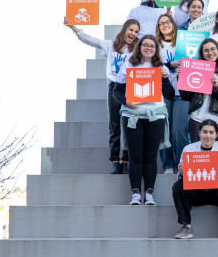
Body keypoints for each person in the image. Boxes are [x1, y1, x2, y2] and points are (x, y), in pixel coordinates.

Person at [64, 17, 139, 174]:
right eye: (131, 30)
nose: (133, 33)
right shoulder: (111, 45)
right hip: (114, 88)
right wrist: (74, 28)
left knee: (128, 124)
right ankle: (115, 161)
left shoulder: (136, 50)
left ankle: (126, 159)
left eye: (136, 32)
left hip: (131, 88)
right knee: (114, 124)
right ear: (125, 29)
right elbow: (92, 41)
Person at [112, 35, 174, 205]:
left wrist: (166, 77)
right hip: (133, 115)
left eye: (152, 46)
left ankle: (149, 194)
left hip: (156, 115)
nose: (148, 48)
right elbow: (116, 92)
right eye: (145, 45)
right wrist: (127, 102)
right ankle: (135, 194)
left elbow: (169, 94)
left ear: (156, 49)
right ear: (139, 47)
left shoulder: (160, 67)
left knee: (151, 155)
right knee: (135, 155)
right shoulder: (128, 65)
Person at [172, 120, 218, 239]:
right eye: (205, 132)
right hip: (196, 192)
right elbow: (179, 177)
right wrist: (182, 173)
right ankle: (185, 226)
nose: (208, 135)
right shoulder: (189, 148)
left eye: (211, 132)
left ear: (216, 134)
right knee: (178, 185)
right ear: (199, 133)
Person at [180, 39, 218, 143]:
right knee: (198, 154)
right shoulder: (194, 70)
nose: (210, 53)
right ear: (202, 53)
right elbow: (185, 96)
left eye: (213, 49)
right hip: (197, 118)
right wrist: (182, 77)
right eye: (206, 50)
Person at [155, 14, 190, 175]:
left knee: (179, 130)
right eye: (161, 23)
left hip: (182, 91)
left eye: (167, 22)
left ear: (173, 24)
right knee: (164, 130)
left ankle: (181, 163)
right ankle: (168, 165)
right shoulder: (155, 45)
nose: (165, 25)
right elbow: (149, 68)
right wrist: (169, 65)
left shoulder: (184, 42)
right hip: (162, 93)